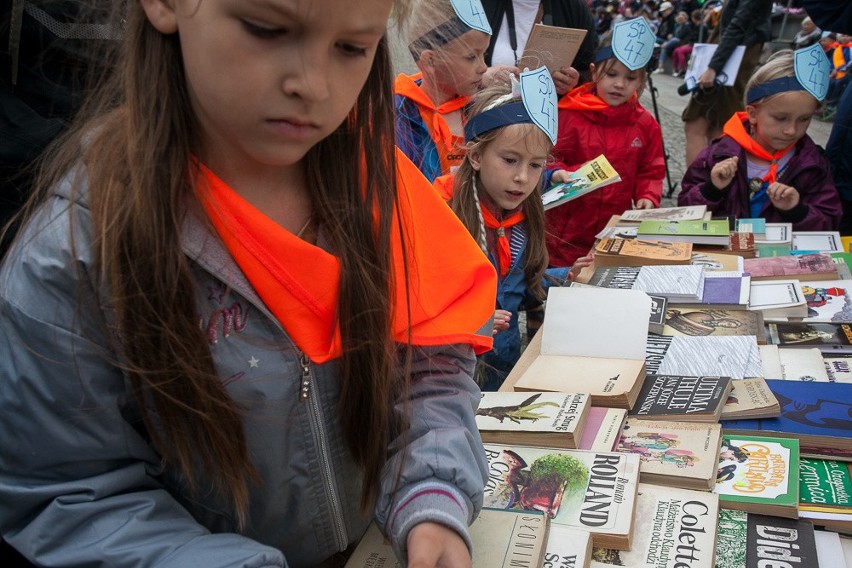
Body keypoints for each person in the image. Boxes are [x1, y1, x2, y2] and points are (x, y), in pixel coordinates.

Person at [0, 1, 500, 567]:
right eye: (266, 30)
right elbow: (71, 494)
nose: (311, 85)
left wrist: (431, 496)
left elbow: (427, 367)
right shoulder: (77, 253)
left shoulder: (383, 190)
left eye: (352, 48)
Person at [448, 73, 592, 390]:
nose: (522, 178)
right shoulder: (445, 220)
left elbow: (523, 286)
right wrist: (468, 324)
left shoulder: (523, 217)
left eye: (535, 165)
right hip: (451, 375)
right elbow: (418, 307)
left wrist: (567, 276)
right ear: (475, 156)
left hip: (503, 369)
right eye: (510, 160)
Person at [679, 49, 842, 230]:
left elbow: (829, 218)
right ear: (753, 114)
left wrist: (796, 211)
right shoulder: (718, 154)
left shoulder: (813, 164)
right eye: (781, 118)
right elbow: (685, 208)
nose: (791, 130)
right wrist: (712, 189)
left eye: (804, 119)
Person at [546, 21, 665, 267]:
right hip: (567, 226)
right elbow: (550, 157)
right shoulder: (569, 113)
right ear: (594, 71)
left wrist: (647, 195)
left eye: (630, 78)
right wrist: (565, 173)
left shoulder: (645, 124)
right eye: (611, 74)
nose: (620, 84)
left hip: (613, 226)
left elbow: (650, 168)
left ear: (641, 81)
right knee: (560, 280)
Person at [394, 0, 491, 182]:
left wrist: (548, 177)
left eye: (484, 55)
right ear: (430, 61)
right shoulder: (399, 118)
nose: (484, 67)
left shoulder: (480, 111)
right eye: (471, 57)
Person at [681, 0, 772, 167]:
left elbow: (738, 24)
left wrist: (713, 67)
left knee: (697, 126)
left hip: (730, 57)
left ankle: (695, 186)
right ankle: (709, 185)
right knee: (718, 127)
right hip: (734, 55)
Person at [481, 0, 598, 87]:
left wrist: (572, 82)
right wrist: (482, 77)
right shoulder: (477, 4)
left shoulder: (573, 7)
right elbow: (463, 59)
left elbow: (589, 69)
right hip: (484, 110)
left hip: (549, 114)